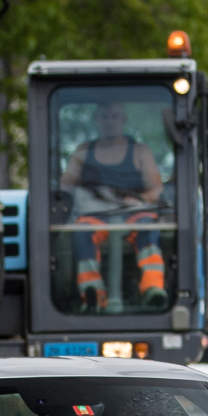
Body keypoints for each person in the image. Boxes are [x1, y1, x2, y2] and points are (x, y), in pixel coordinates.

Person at [59, 102, 167, 311]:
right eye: (104, 117)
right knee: (82, 231)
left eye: (114, 116)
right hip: (95, 216)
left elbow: (156, 190)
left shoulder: (140, 152)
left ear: (123, 120)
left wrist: (139, 201)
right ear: (96, 121)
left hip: (133, 216)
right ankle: (93, 293)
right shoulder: (83, 152)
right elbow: (65, 187)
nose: (110, 121)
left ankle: (152, 287)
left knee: (148, 226)